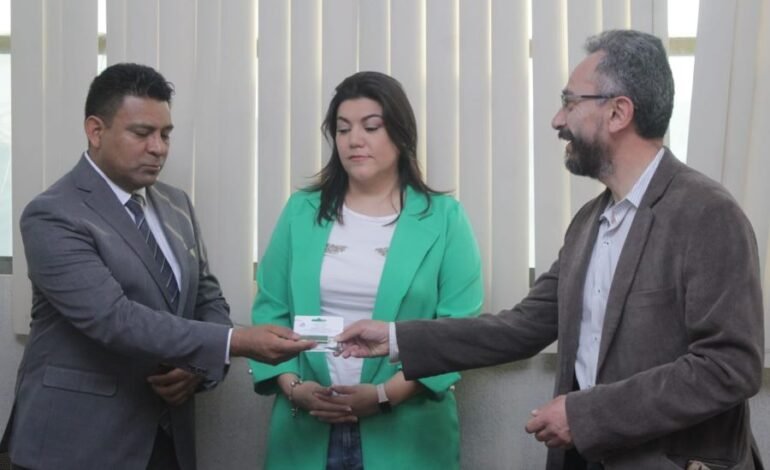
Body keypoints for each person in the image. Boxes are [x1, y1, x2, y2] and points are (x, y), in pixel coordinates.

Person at [337, 30, 765, 470]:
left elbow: (729, 365)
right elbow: (522, 327)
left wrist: (585, 415)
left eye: (570, 102)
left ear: (618, 112)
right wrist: (395, 337)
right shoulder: (588, 223)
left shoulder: (707, 213)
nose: (558, 120)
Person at [0, 63, 313, 470]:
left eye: (165, 134)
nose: (159, 148)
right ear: (95, 131)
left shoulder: (176, 203)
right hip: (76, 442)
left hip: (165, 439)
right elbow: (114, 319)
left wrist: (199, 366)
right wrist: (235, 342)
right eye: (142, 133)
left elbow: (206, 297)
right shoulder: (53, 214)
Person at [248, 71, 483, 470]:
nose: (354, 139)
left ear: (401, 134)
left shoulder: (444, 218)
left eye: (370, 127)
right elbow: (271, 310)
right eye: (343, 129)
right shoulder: (301, 212)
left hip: (407, 433)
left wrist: (383, 396)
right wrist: (295, 388)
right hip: (307, 426)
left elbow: (457, 329)